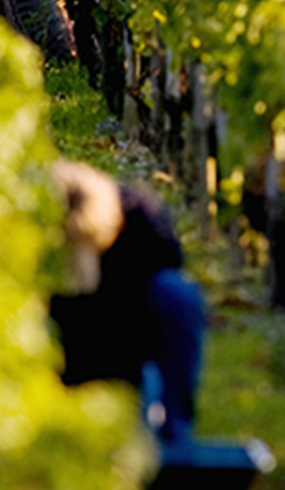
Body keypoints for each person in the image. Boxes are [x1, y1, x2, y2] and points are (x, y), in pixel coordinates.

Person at [48, 160, 206, 449]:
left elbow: (169, 277)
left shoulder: (142, 222)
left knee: (177, 295)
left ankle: (175, 439)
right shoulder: (34, 229)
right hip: (61, 347)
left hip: (124, 338)